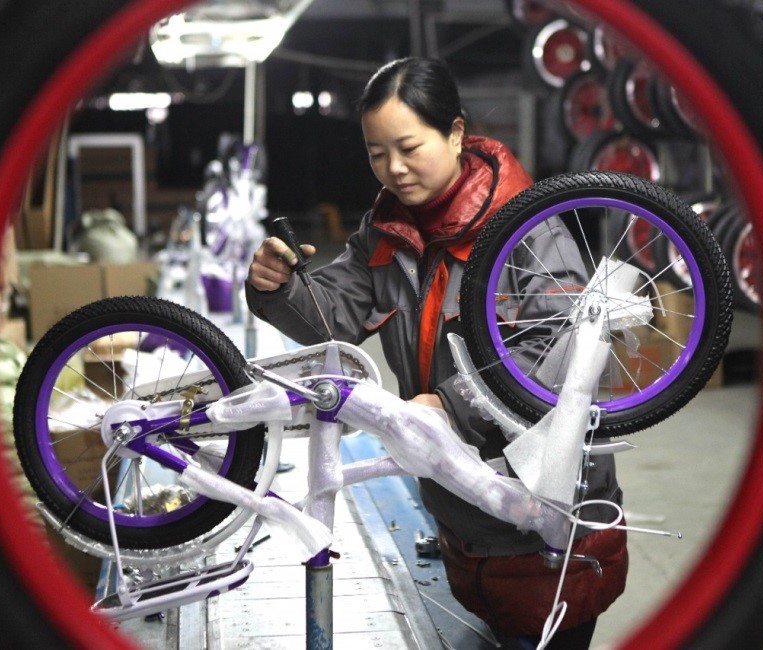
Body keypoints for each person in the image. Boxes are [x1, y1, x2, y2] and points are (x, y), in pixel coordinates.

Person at [246, 57, 627, 648]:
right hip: (462, 515)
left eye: (408, 147)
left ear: (454, 132)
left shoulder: (529, 228)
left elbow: (558, 352)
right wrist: (280, 288)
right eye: (376, 153)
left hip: (546, 523)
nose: (393, 169)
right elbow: (331, 318)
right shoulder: (387, 232)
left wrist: (450, 405)